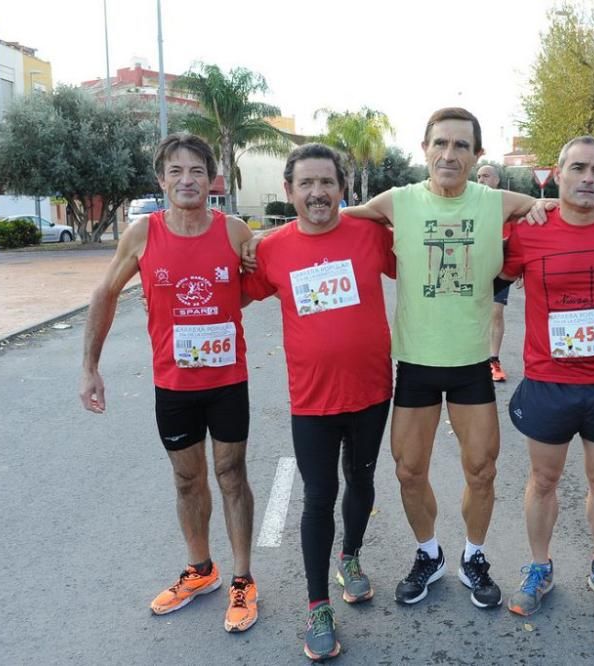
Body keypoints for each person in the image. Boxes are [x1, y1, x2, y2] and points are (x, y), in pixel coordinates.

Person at [343, 107, 543, 609]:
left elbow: (569, 210)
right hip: (415, 364)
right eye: (440, 144)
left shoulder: (497, 202)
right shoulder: (397, 202)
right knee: (408, 471)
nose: (448, 154)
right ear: (425, 149)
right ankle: (428, 554)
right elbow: (324, 220)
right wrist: (250, 240)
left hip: (473, 362)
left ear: (477, 155)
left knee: (482, 470)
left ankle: (474, 557)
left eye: (460, 146)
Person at [79, 133, 258, 632]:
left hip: (228, 380)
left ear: (211, 179)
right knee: (187, 478)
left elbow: (258, 281)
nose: (187, 180)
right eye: (175, 171)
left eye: (196, 170)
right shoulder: (141, 234)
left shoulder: (234, 230)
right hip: (174, 383)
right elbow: (105, 293)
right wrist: (90, 367)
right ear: (161, 181)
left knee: (231, 474)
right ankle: (201, 570)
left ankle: (243, 578)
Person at [241, 143, 394, 661]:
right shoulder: (273, 249)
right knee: (317, 496)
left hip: (372, 392)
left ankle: (350, 558)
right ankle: (318, 605)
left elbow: (420, 262)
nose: (317, 192)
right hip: (312, 401)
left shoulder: (370, 235)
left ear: (342, 188)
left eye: (326, 182)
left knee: (363, 481)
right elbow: (232, 292)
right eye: (305, 184)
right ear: (289, 192)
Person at [499, 136, 594, 616]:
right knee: (544, 480)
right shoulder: (527, 232)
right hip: (548, 380)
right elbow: (489, 280)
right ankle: (539, 567)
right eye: (578, 168)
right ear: (557, 175)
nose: (588, 178)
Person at [476, 164, 510, 382]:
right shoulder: (467, 202)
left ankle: (493, 360)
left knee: (496, 313)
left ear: (496, 180)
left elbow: (515, 239)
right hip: (473, 268)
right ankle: (472, 358)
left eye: (486, 176)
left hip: (499, 268)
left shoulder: (506, 204)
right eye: (478, 176)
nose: (481, 180)